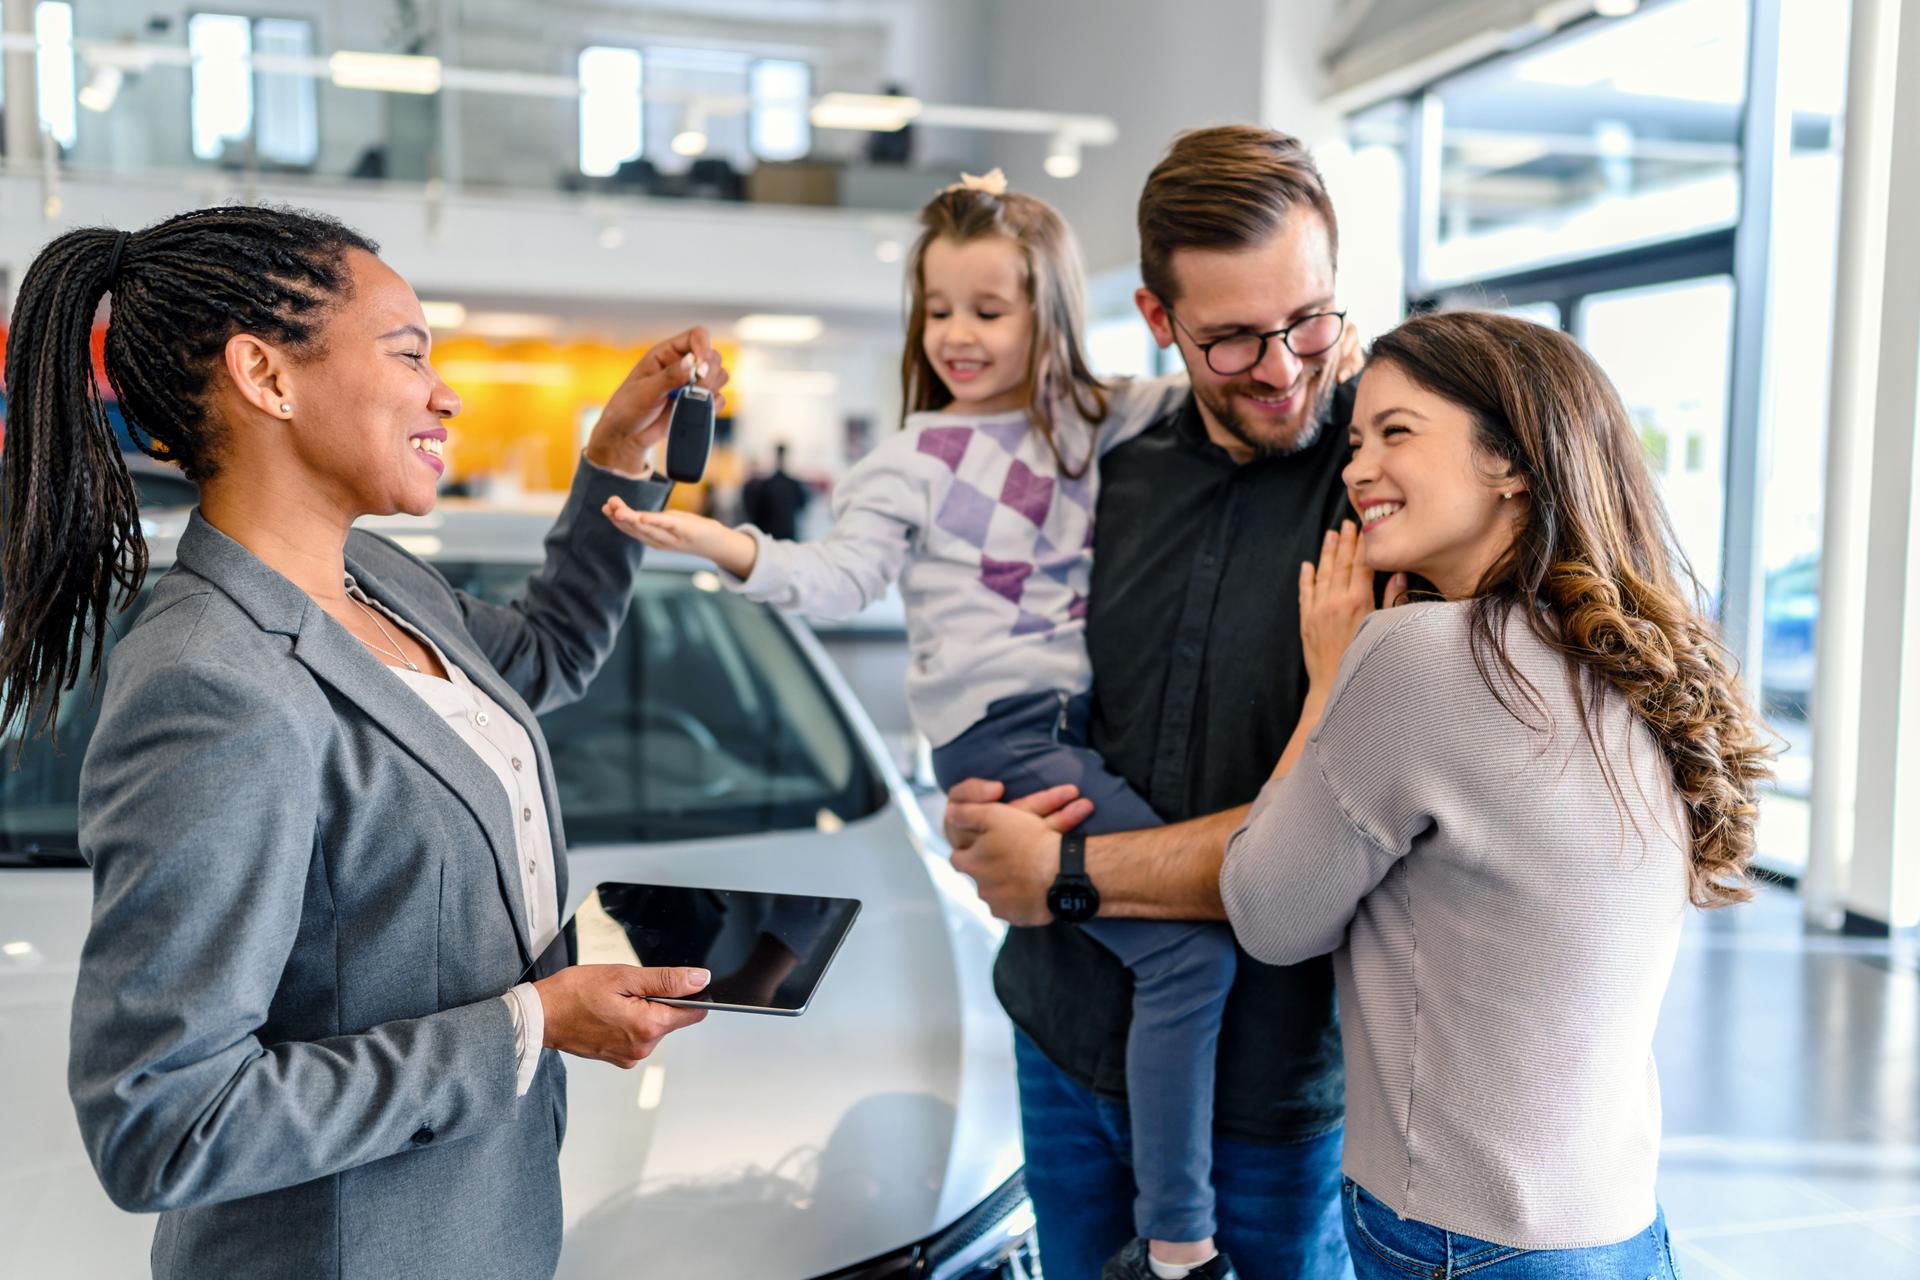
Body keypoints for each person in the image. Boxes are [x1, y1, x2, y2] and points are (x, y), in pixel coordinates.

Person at [956, 310, 1773, 1279]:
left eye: (1397, 432)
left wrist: (1324, 686)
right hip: (1618, 1223)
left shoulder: (1417, 657)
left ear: (1511, 461)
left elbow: (1268, 912)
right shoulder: (1633, 656)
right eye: (1355, 440)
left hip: (1458, 1238)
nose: (1355, 469)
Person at [0, 206, 727, 1279]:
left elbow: (546, 655)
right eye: (409, 352)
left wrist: (615, 460)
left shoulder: (377, 577)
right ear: (266, 375)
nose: (447, 392)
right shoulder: (212, 682)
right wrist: (526, 1024)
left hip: (482, 1222)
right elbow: (162, 1117)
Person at [604, 170, 1250, 1280]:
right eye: (939, 309)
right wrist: (723, 545)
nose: (956, 333)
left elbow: (1212, 384)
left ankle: (1170, 1222)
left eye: (988, 311)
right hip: (1003, 736)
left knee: (1168, 950)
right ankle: (1181, 1244)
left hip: (1078, 723)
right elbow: (840, 576)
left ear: (1047, 312)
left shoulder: (1100, 422)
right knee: (1188, 950)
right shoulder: (909, 460)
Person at [942, 125, 1372, 1280]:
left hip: (1268, 1080)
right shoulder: (1096, 470)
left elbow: (1327, 840)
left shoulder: (1383, 491)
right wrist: (994, 817)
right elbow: (1022, 685)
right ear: (1156, 317)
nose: (1283, 370)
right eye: (1230, 338)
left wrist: (1067, 872)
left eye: (1312, 320)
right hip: (1064, 1027)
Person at [740, 442, 811, 540]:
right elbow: (802, 505)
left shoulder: (767, 484)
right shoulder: (792, 484)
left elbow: (758, 513)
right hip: (788, 533)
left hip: (771, 535)